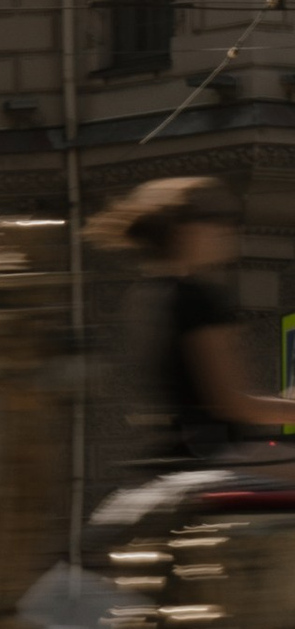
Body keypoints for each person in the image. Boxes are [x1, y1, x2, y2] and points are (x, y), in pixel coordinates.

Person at [89, 173, 295, 464]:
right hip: (220, 454)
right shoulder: (198, 298)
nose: (229, 228)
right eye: (218, 218)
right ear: (184, 230)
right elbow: (234, 404)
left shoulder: (149, 293)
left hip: (178, 454)